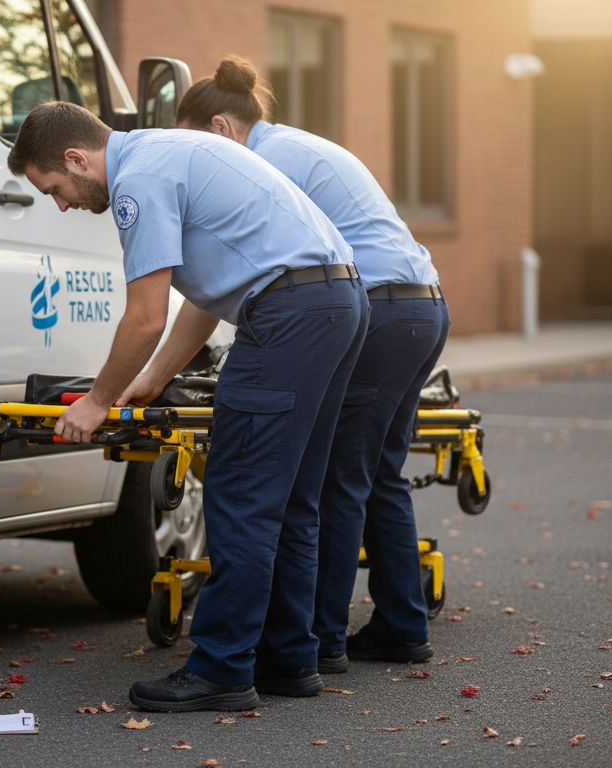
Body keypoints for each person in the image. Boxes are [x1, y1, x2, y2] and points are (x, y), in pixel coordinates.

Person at [6, 101, 368, 711]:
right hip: (337, 301)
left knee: (241, 495)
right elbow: (203, 299)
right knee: (293, 497)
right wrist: (151, 379)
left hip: (289, 316)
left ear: (76, 158)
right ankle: (289, 658)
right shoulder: (169, 152)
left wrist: (96, 402)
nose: (62, 204)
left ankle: (223, 670)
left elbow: (146, 316)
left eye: (55, 189)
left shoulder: (137, 182)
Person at [177, 56, 451, 672]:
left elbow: (232, 285)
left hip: (375, 311)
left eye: (189, 143)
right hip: (420, 307)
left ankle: (321, 639)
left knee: (330, 478)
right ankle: (402, 624)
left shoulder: (254, 166)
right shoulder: (298, 146)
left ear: (219, 128)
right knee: (375, 472)